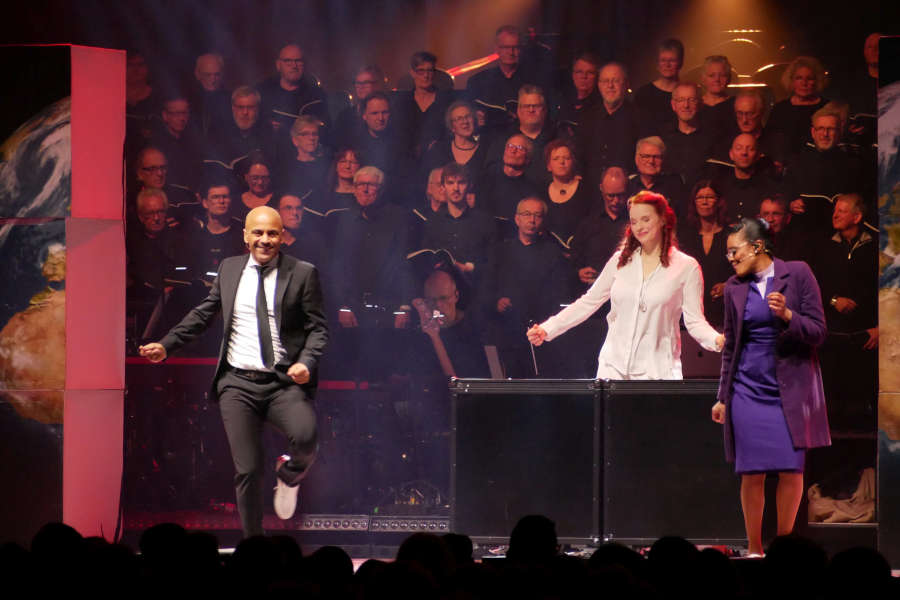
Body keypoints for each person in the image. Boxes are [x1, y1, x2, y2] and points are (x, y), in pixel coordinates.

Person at [138, 206, 328, 539]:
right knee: (249, 470)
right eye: (258, 232)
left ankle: (289, 475)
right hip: (237, 384)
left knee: (307, 438)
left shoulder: (302, 273)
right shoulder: (229, 269)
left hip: (283, 383)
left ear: (282, 236)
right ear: (245, 236)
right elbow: (203, 313)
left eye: (272, 233)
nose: (265, 240)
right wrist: (167, 345)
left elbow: (318, 329)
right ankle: (255, 546)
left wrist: (306, 362)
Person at [711, 217, 830, 556]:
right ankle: (753, 549)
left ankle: (783, 548)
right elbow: (732, 345)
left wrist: (789, 316)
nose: (731, 258)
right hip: (748, 387)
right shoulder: (734, 287)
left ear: (757, 247)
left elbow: (819, 331)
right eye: (728, 254)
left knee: (791, 470)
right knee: (752, 472)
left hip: (789, 388)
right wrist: (723, 397)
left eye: (735, 251)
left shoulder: (799, 273)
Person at [527, 191, 723, 379]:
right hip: (613, 368)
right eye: (634, 221)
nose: (639, 227)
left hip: (657, 371)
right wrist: (548, 328)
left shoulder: (686, 267)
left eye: (646, 219)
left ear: (663, 219)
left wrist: (718, 340)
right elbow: (588, 302)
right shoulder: (620, 261)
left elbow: (694, 321)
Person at [676, 180, 732, 327]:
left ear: (719, 202)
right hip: (691, 311)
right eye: (700, 198)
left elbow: (743, 270)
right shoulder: (685, 237)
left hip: (722, 311)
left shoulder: (731, 236)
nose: (705, 202)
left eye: (710, 197)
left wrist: (728, 285)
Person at [765, 56, 829, 160]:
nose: (804, 83)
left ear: (817, 81)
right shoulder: (780, 109)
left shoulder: (827, 108)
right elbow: (769, 141)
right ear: (791, 81)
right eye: (799, 78)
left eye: (809, 78)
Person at [540, 139, 591, 247]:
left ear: (573, 162)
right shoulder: (541, 193)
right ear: (549, 166)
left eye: (566, 158)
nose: (561, 162)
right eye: (556, 159)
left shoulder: (587, 190)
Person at [634, 38, 684, 133]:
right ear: (657, 63)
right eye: (663, 60)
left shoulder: (687, 95)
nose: (667, 65)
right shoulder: (643, 94)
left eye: (672, 60)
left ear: (680, 63)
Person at [697, 55, 736, 141]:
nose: (717, 79)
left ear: (728, 78)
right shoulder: (695, 105)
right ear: (703, 79)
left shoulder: (736, 105)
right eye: (711, 75)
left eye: (722, 75)